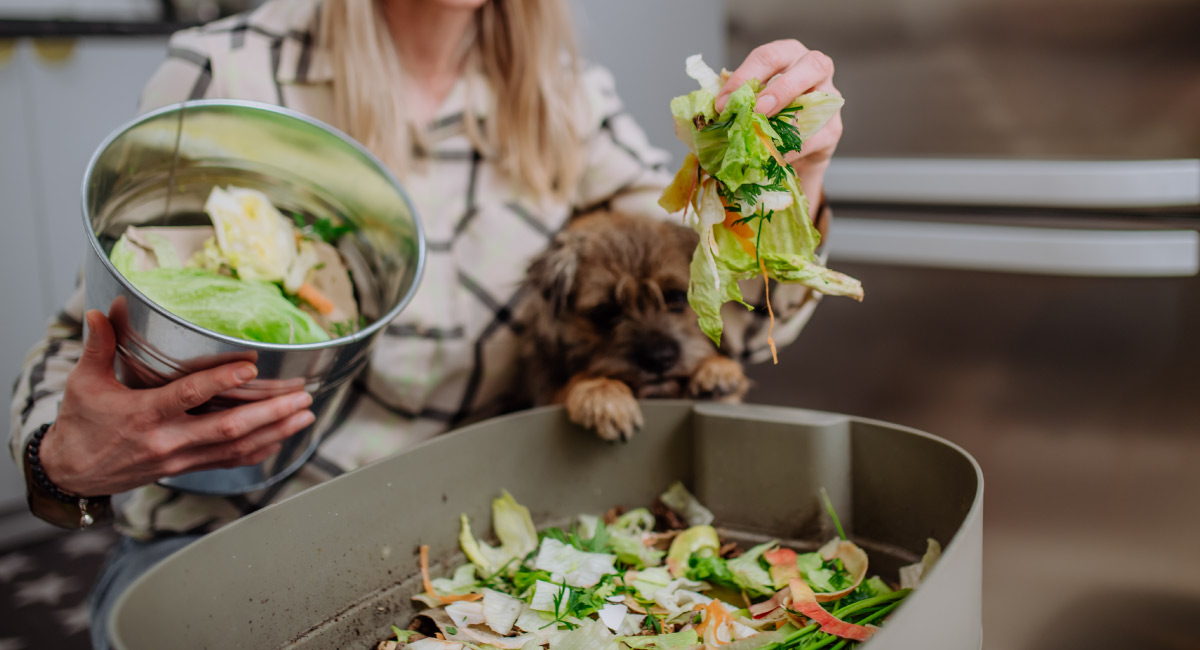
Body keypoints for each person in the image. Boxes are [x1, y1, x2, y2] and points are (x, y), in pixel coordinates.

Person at [7, 0, 844, 647]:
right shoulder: (229, 67)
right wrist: (59, 464)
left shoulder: (563, 96)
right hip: (233, 543)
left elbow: (694, 285)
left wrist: (782, 184)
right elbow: (89, 335)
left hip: (462, 542)